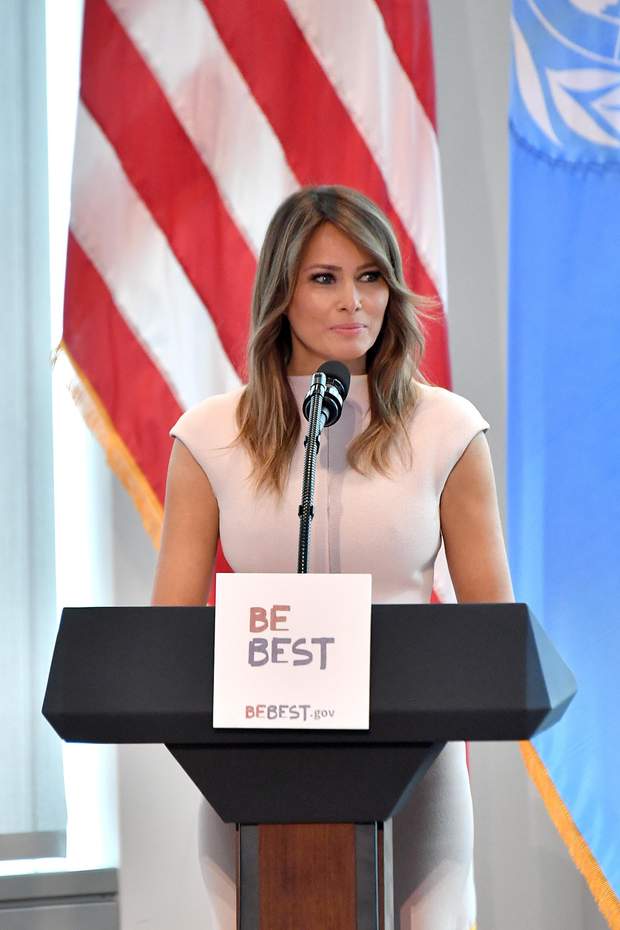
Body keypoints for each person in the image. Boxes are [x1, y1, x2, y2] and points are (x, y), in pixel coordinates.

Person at [152, 185, 514, 930]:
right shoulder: (210, 436)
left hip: (414, 766)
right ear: (281, 293)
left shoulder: (446, 428)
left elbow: (494, 631)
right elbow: (167, 638)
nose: (354, 300)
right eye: (325, 278)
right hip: (249, 767)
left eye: (371, 276)